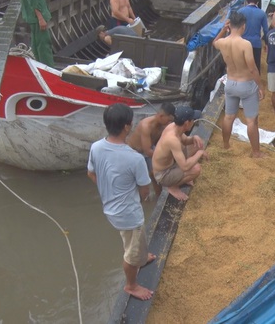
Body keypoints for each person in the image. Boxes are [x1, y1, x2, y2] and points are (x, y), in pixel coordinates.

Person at [87, 103, 156, 301]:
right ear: (127, 127)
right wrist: (140, 199)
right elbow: (144, 190)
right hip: (129, 215)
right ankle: (131, 285)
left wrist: (110, 189)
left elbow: (91, 173)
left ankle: (142, 258)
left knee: (134, 242)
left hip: (110, 209)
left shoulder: (96, 147)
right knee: (130, 254)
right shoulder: (134, 159)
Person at [213, 12, 264, 158]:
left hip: (230, 83)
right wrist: (260, 86)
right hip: (246, 84)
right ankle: (256, 152)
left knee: (229, 117)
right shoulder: (245, 44)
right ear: (243, 26)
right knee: (251, 120)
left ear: (230, 25)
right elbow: (253, 68)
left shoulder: (223, 43)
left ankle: (226, 145)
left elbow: (214, 42)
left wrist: (223, 30)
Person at [151, 106, 206, 201]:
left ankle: (181, 177)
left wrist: (194, 138)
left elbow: (185, 141)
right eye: (193, 120)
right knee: (196, 169)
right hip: (163, 174)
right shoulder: (172, 139)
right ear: (187, 123)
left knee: (198, 143)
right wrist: (199, 153)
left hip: (172, 163)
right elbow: (185, 166)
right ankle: (173, 187)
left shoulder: (174, 126)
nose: (194, 122)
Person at [126, 102, 176, 199]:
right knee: (139, 178)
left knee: (155, 174)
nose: (170, 123)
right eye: (169, 120)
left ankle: (159, 197)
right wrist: (167, 159)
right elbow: (148, 151)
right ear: (161, 116)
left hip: (150, 149)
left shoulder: (164, 125)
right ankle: (141, 198)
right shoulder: (146, 125)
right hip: (134, 152)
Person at [237, 0, 269, 73]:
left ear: (247, 2)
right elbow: (266, 30)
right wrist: (267, 44)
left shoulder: (240, 11)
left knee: (241, 66)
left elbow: (236, 27)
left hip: (242, 42)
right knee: (255, 67)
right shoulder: (262, 13)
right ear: (257, 2)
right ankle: (255, 84)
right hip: (256, 44)